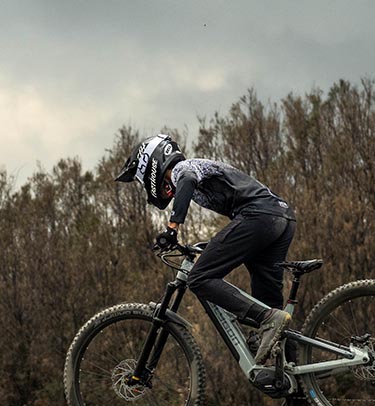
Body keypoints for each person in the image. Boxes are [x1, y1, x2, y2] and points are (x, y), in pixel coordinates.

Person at [115, 133, 296, 368]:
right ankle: (299, 389)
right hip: (281, 218)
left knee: (199, 278)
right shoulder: (199, 168)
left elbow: (187, 180)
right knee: (271, 309)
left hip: (259, 216)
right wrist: (208, 245)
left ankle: (267, 319)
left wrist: (172, 228)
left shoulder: (183, 168)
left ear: (151, 165)